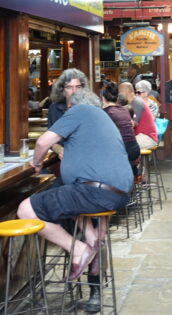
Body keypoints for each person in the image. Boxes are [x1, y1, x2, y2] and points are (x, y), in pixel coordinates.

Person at [18, 83, 133, 288]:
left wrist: (35, 164)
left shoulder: (79, 110)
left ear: (73, 106)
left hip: (95, 192)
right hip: (116, 191)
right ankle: (92, 242)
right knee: (69, 195)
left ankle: (80, 251)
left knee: (26, 209)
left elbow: (43, 142)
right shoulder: (102, 118)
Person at [100, 81, 139, 175]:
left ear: (103, 98)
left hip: (121, 151)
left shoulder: (105, 113)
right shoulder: (125, 110)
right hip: (134, 149)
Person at [120, 81, 158, 149]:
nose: (119, 94)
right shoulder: (131, 102)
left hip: (147, 137)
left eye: (120, 91)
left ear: (127, 91)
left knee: (123, 146)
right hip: (140, 136)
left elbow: (133, 123)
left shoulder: (137, 102)